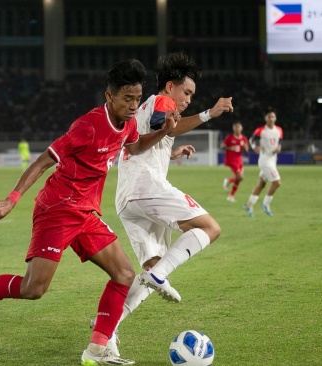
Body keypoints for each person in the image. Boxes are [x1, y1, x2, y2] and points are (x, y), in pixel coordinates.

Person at [0, 59, 180, 366]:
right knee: (33, 289)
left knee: (123, 273)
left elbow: (134, 148)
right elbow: (43, 161)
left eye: (137, 99)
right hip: (57, 208)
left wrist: (165, 136)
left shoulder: (129, 123)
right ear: (110, 96)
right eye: (127, 99)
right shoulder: (87, 126)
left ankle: (96, 350)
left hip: (86, 213)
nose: (134, 106)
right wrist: (12, 199)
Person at [107, 52, 233, 356]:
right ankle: (159, 273)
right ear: (169, 87)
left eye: (192, 95)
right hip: (146, 188)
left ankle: (106, 332)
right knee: (210, 228)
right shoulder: (163, 101)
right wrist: (209, 114)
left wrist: (171, 153)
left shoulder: (148, 107)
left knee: (152, 269)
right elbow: (170, 127)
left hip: (127, 199)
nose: (188, 99)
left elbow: (151, 137)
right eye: (186, 92)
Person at [243, 107, 283, 217]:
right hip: (265, 160)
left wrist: (279, 147)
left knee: (261, 184)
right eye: (269, 116)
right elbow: (251, 140)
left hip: (273, 159)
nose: (271, 118)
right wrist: (255, 147)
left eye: (273, 116)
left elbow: (279, 141)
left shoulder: (279, 130)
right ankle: (265, 204)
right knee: (277, 182)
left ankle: (249, 205)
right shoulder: (261, 130)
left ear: (275, 118)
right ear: (265, 118)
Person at [221, 121, 249, 202]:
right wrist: (230, 148)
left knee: (238, 178)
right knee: (240, 177)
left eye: (238, 127)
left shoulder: (243, 138)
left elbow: (247, 150)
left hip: (239, 160)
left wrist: (244, 146)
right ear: (233, 128)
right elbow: (222, 146)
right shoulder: (229, 137)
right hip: (231, 160)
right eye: (235, 127)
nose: (237, 129)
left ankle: (228, 181)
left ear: (241, 128)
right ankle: (230, 196)